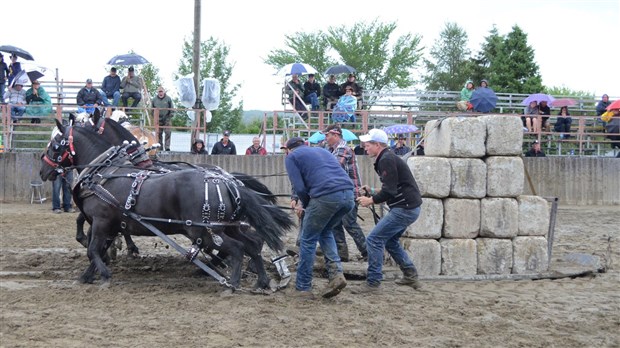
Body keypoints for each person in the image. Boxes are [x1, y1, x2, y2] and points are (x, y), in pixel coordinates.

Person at [352, 128, 423, 293]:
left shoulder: (386, 159)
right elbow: (392, 187)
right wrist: (373, 190)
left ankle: (373, 282)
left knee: (373, 240)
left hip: (403, 208)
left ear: (377, 145)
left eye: (368, 144)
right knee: (390, 241)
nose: (365, 147)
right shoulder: (387, 157)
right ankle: (410, 274)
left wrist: (370, 199)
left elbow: (390, 191)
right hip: (409, 207)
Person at [284, 137, 354, 299]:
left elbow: (299, 187)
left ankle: (303, 286)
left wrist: (306, 205)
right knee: (325, 231)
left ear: (289, 149)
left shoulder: (292, 157)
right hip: (348, 195)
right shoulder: (323, 151)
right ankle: (336, 275)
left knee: (308, 239)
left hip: (325, 196)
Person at [323, 124, 368, 261]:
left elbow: (333, 167)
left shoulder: (343, 149)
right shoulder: (333, 149)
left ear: (335, 135)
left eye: (327, 135)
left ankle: (367, 251)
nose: (325, 138)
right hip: (342, 193)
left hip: (350, 193)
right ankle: (342, 254)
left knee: (349, 223)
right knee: (336, 223)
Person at [152, 86, 174, 151]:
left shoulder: (168, 99)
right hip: (158, 118)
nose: (160, 93)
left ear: (164, 92)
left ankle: (167, 147)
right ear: (157, 92)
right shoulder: (154, 99)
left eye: (161, 91)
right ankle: (160, 148)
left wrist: (170, 116)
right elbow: (152, 109)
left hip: (167, 118)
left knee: (168, 132)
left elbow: (171, 108)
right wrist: (154, 117)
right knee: (158, 133)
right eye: (159, 91)